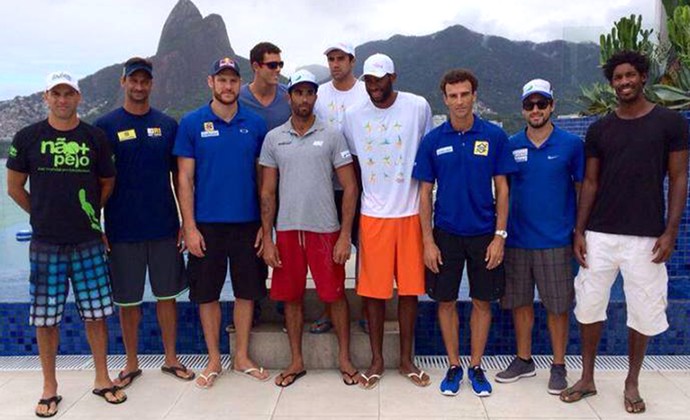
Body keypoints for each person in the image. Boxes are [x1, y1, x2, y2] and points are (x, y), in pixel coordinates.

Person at [559, 50, 689, 413]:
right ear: (611, 83)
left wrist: (670, 231)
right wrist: (579, 231)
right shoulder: (601, 129)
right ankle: (587, 377)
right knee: (588, 305)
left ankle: (632, 381)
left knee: (644, 309)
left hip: (647, 235)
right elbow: (591, 183)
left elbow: (679, 178)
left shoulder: (670, 124)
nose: (624, 82)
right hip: (600, 233)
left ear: (643, 77)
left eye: (630, 75)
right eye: (618, 78)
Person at [6, 71, 126, 416]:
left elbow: (107, 183)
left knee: (96, 315)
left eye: (68, 93)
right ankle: (49, 386)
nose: (62, 100)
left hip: (87, 241)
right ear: (46, 97)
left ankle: (103, 378)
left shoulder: (94, 137)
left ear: (78, 97)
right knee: (46, 319)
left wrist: (90, 214)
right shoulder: (27, 137)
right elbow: (14, 187)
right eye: (56, 94)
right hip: (46, 243)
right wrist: (40, 214)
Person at [413, 69, 517, 397]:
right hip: (445, 234)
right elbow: (424, 193)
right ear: (444, 99)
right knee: (445, 301)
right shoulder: (433, 141)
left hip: (484, 234)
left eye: (465, 94)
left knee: (482, 301)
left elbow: (503, 189)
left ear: (474, 96)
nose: (459, 101)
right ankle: (454, 365)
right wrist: (427, 240)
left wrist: (500, 236)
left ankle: (475, 366)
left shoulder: (494, 137)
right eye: (453, 95)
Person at [94, 57, 194, 388]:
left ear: (151, 84)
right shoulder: (104, 127)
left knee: (167, 297)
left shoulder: (167, 125)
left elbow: (180, 178)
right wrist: (98, 227)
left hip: (164, 226)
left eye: (145, 81)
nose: (139, 86)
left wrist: (185, 221)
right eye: (133, 80)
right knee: (128, 302)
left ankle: (170, 359)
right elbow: (95, 182)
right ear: (123, 82)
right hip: (122, 230)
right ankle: (131, 363)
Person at [259, 69, 360, 387]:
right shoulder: (274, 137)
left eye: (309, 93)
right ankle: (296, 362)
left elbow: (350, 187)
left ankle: (345, 360)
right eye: (298, 93)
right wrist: (270, 238)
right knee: (291, 297)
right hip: (287, 231)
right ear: (289, 97)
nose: (304, 98)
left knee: (335, 296)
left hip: (326, 231)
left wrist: (345, 235)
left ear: (315, 97)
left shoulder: (331, 135)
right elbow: (267, 193)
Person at [174, 57, 270, 389]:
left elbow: (264, 180)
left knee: (246, 292)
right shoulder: (191, 123)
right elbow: (184, 179)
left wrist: (264, 225)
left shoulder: (256, 125)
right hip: (206, 225)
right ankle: (214, 359)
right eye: (222, 80)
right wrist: (189, 226)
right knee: (206, 294)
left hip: (247, 224)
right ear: (210, 82)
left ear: (239, 85)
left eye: (233, 81)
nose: (227, 86)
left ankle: (241, 356)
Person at [341, 53, 433, 390]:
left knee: (409, 292)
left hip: (410, 213)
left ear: (393, 76)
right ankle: (377, 359)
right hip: (373, 215)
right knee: (373, 294)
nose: (374, 86)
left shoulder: (417, 106)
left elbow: (426, 153)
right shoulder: (353, 116)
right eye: (368, 80)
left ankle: (406, 360)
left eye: (379, 79)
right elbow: (351, 161)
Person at [494, 79, 584, 394]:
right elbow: (501, 190)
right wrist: (500, 234)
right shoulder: (511, 144)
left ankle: (558, 365)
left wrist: (578, 233)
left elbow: (580, 189)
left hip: (556, 241)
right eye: (530, 104)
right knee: (520, 304)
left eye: (541, 104)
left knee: (557, 307)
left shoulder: (571, 145)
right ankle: (524, 359)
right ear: (522, 109)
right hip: (517, 240)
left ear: (552, 106)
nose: (535, 110)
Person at [310, 41, 369, 335]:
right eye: (331, 58)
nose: (335, 64)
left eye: (340, 58)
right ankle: (327, 309)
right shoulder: (318, 93)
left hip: (361, 183)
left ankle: (367, 310)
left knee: (365, 249)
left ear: (352, 61)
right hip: (326, 185)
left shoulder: (365, 92)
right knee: (327, 252)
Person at [239, 42, 291, 130]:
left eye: (280, 64)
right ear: (256, 66)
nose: (278, 69)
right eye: (272, 65)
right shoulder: (238, 98)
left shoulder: (289, 95)